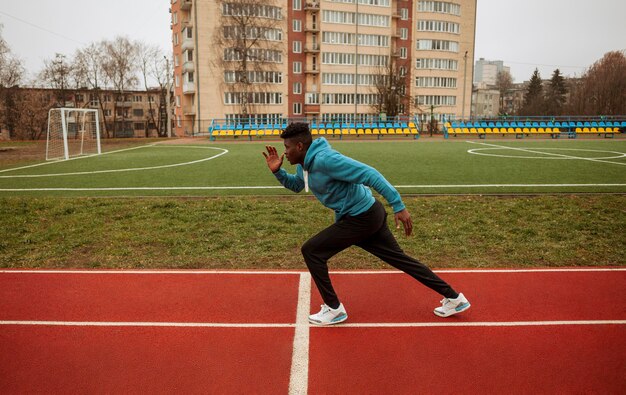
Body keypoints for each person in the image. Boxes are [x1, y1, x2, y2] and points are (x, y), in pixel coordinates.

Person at [263, 122, 470, 326]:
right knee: (400, 259)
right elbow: (297, 185)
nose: (285, 153)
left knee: (312, 251)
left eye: (287, 148)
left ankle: (334, 309)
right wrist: (277, 172)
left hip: (362, 217)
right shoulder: (304, 166)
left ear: (299, 146)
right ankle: (454, 298)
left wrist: (398, 205)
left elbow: (369, 173)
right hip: (365, 215)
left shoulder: (327, 160)